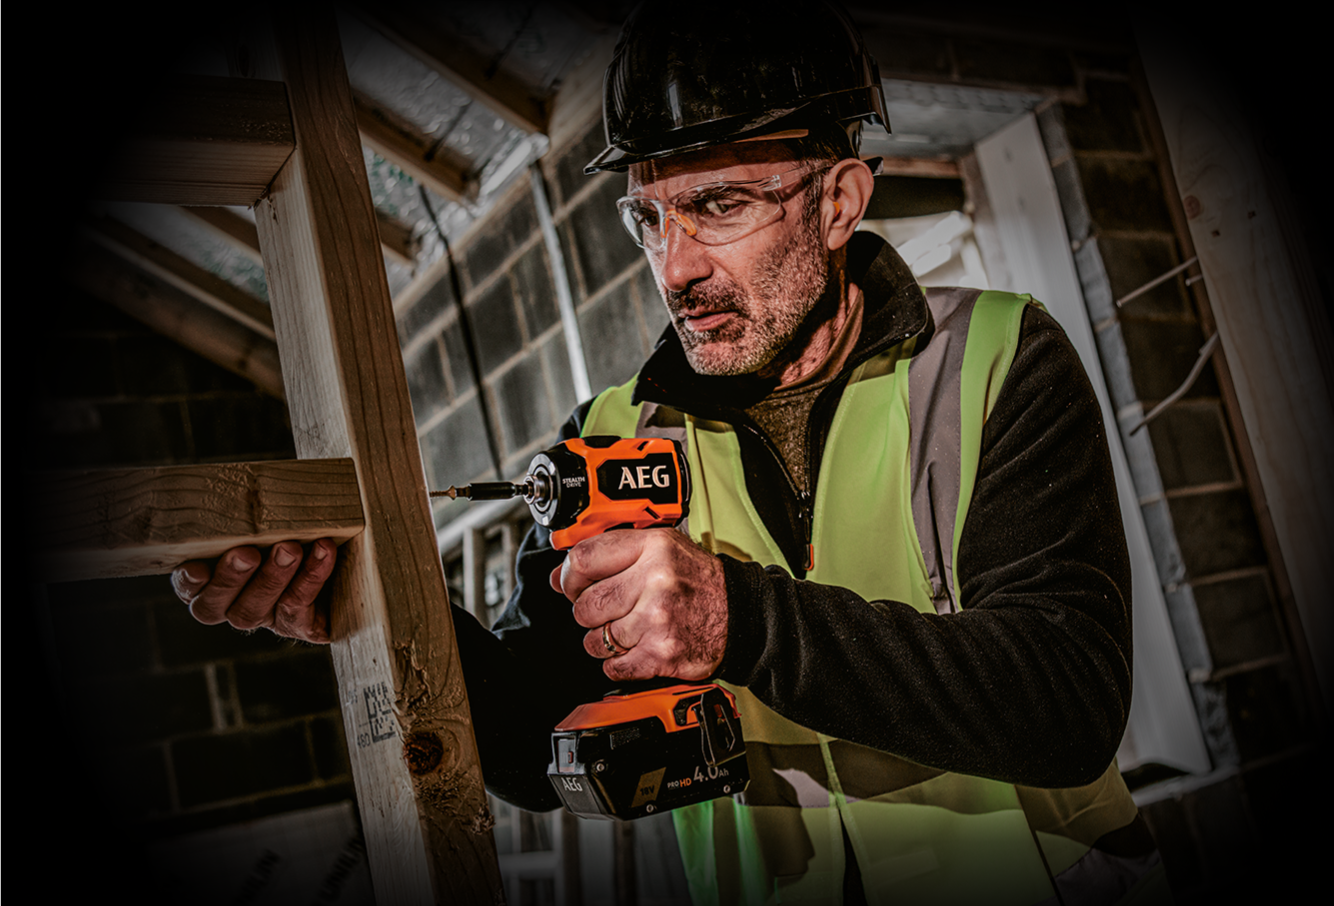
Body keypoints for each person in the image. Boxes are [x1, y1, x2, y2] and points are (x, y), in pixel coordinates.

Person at [173, 4, 1169, 903]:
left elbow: (1067, 701)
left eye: (720, 205)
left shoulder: (994, 356)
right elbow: (534, 745)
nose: (675, 266)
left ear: (837, 202)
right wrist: (377, 604)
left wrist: (736, 619)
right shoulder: (608, 438)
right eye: (648, 217)